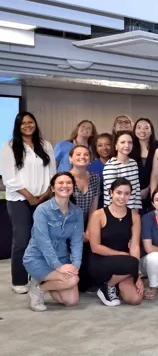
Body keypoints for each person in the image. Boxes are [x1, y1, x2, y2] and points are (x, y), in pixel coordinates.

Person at [1, 112, 56, 294]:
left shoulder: (45, 145)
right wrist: (29, 195)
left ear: (35, 123)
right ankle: (19, 280)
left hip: (44, 198)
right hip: (19, 200)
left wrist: (47, 192)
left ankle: (39, 277)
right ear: (18, 126)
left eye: (30, 122)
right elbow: (9, 178)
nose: (27, 125)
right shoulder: (9, 147)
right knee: (22, 239)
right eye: (23, 123)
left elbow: (52, 173)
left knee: (41, 239)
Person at [22, 172, 84, 311]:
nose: (65, 186)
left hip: (62, 257)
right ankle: (37, 290)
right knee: (72, 280)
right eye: (60, 183)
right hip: (38, 257)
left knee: (71, 301)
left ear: (73, 187)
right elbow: (42, 241)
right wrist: (58, 266)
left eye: (68, 183)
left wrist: (75, 265)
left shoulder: (77, 212)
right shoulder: (42, 210)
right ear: (53, 188)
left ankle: (43, 282)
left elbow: (77, 241)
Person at [87, 178, 144, 307]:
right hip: (101, 261)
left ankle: (111, 285)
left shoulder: (135, 216)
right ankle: (106, 286)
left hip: (125, 266)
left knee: (136, 299)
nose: (122, 197)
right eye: (119, 192)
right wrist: (122, 255)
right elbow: (95, 247)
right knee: (130, 261)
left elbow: (135, 245)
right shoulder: (98, 215)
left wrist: (136, 273)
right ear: (111, 192)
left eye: (126, 193)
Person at [68, 145, 100, 292]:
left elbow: (94, 204)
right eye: (78, 154)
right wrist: (79, 230)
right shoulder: (65, 178)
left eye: (86, 154)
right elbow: (63, 209)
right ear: (70, 158)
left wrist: (89, 228)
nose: (82, 157)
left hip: (88, 220)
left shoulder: (94, 178)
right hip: (67, 223)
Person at [102, 131, 142, 212]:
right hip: (114, 213)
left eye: (130, 142)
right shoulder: (111, 165)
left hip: (132, 211)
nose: (127, 145)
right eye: (122, 142)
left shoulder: (133, 163)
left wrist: (135, 212)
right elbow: (112, 195)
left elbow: (136, 191)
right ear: (116, 146)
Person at [129, 118, 158, 210]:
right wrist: (137, 192)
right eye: (139, 127)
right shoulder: (130, 148)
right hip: (133, 195)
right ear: (134, 130)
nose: (142, 130)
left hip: (154, 192)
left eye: (146, 128)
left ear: (151, 131)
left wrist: (148, 189)